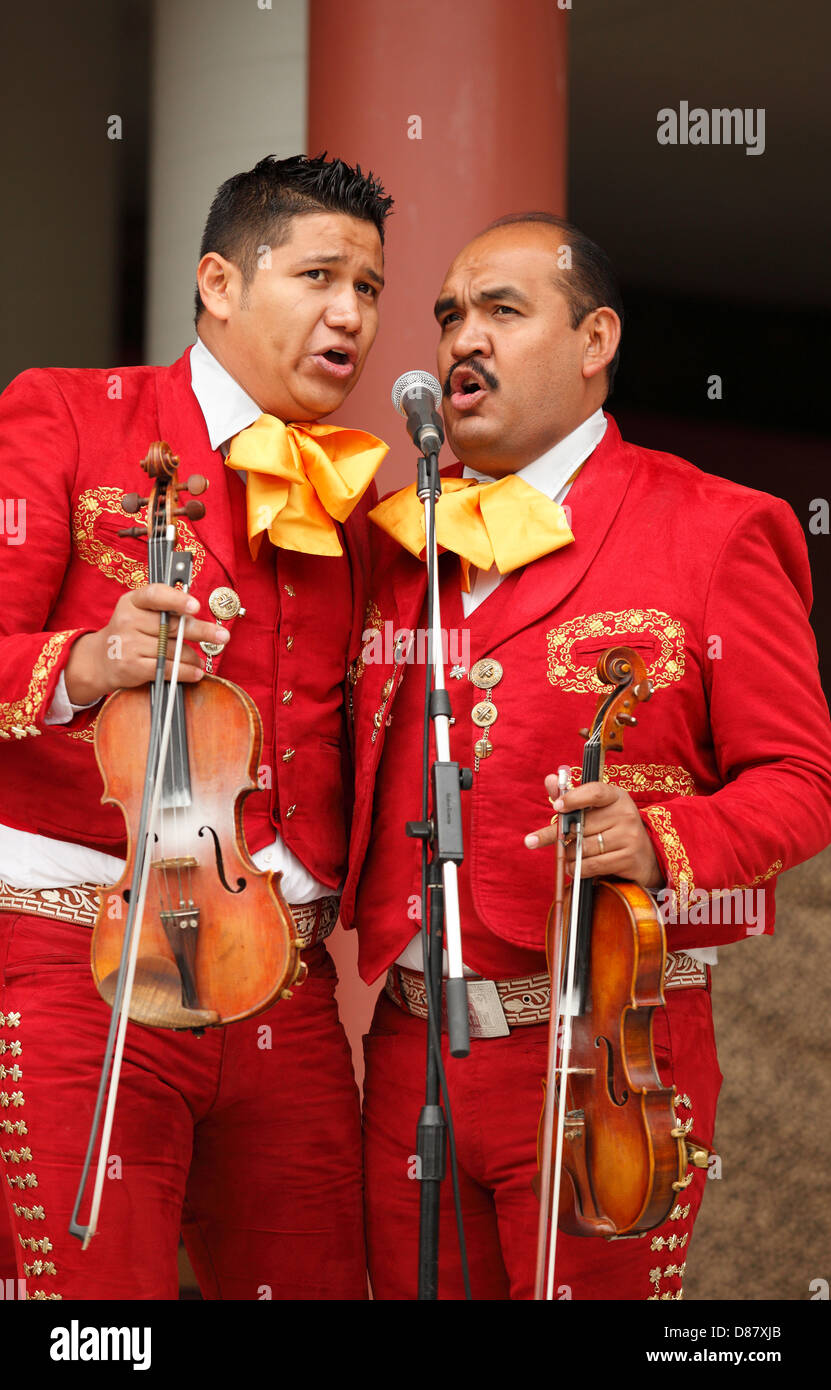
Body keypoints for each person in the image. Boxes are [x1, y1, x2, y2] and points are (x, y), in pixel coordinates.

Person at [340, 212, 831, 1300]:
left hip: (601, 1049)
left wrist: (659, 838)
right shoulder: (396, 542)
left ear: (595, 339)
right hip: (408, 1052)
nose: (464, 338)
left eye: (503, 312)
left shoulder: (715, 525)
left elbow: (802, 783)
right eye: (450, 316)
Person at [0, 153, 392, 1300]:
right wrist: (93, 661)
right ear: (219, 283)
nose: (351, 312)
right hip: (81, 956)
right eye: (320, 274)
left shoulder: (360, 503)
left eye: (370, 288)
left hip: (288, 985)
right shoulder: (64, 411)